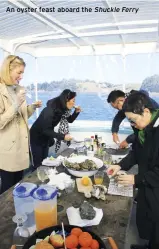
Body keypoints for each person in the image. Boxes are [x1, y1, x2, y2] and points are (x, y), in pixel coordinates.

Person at [108, 92, 159, 249]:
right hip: (148, 182)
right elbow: (137, 152)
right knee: (148, 217)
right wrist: (120, 165)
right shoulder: (143, 128)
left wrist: (136, 179)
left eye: (133, 120)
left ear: (146, 112)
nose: (133, 125)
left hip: (154, 182)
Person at [0, 55, 42, 194]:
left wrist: (32, 108)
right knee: (7, 190)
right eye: (19, 72)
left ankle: (16, 214)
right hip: (8, 152)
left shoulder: (18, 89)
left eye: (23, 72)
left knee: (18, 187)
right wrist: (16, 104)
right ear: (8, 70)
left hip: (21, 148)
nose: (21, 76)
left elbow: (21, 116)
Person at [30, 89, 81, 169]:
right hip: (36, 138)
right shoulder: (50, 110)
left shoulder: (62, 108)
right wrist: (63, 137)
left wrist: (76, 112)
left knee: (44, 162)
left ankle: (43, 178)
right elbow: (45, 130)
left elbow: (69, 120)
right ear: (66, 100)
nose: (74, 103)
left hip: (46, 137)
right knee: (38, 165)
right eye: (73, 100)